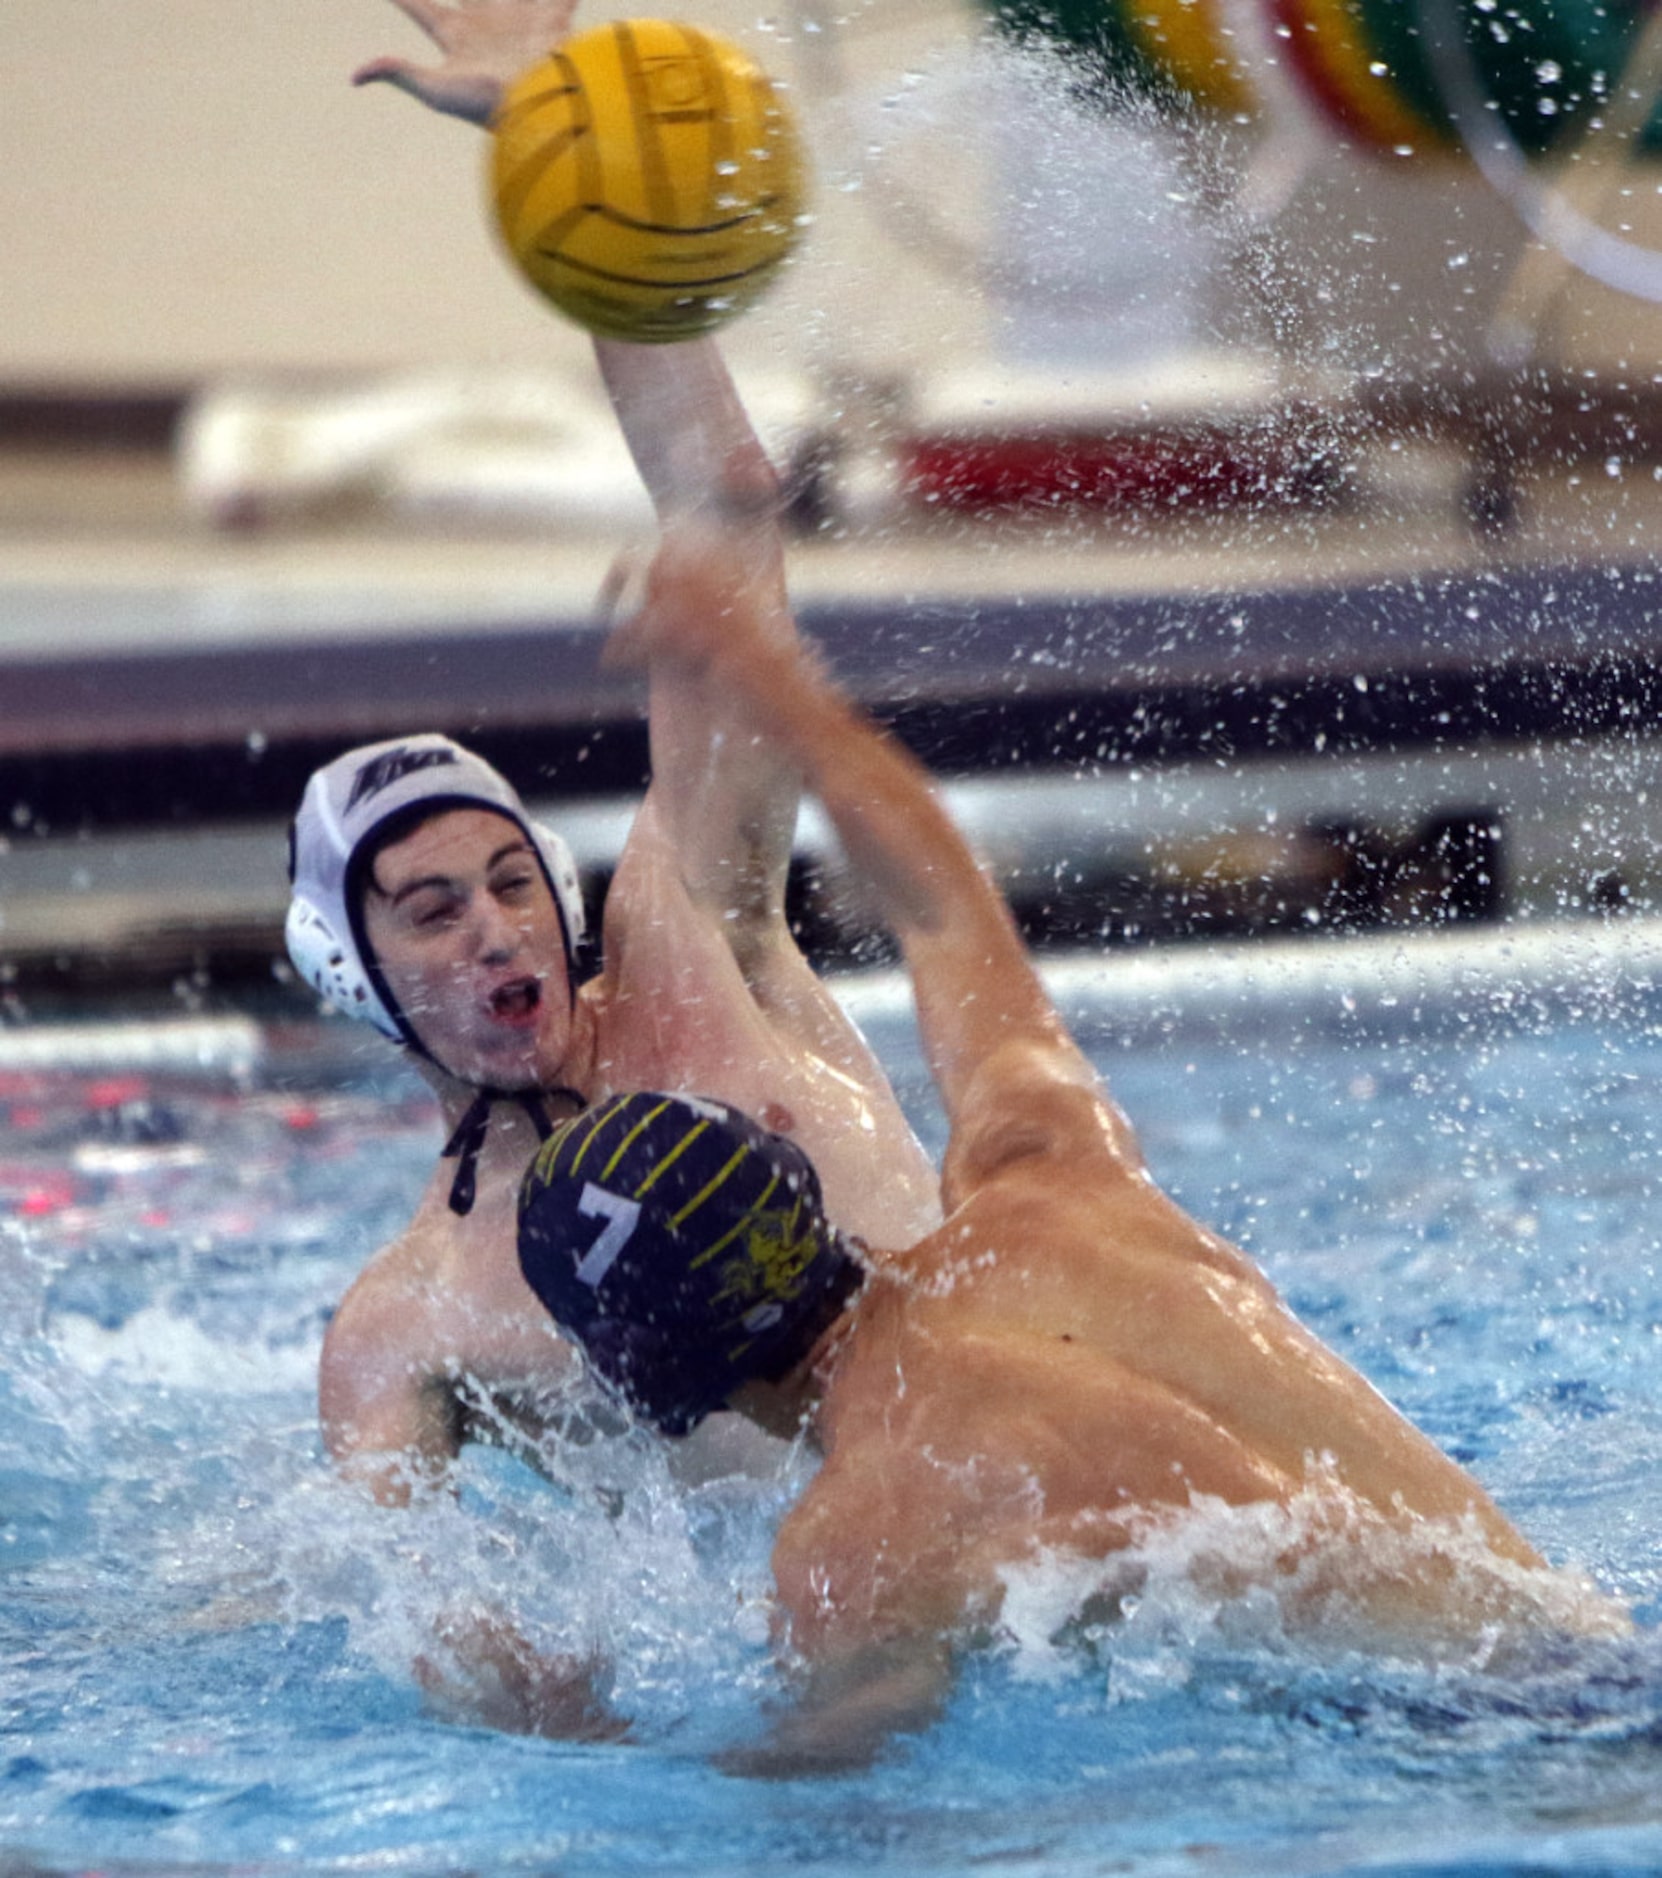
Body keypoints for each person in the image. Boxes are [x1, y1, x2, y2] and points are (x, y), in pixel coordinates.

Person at [517, 534, 1630, 1771]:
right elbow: (941, 909)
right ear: (798, 1188)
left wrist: (573, 1735)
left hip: (1485, 1765)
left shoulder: (858, 1540)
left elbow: (813, 1817)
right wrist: (775, 685)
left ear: (653, 1387)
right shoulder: (1046, 1182)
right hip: (1596, 1656)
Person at [290, 0, 938, 1732]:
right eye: (430, 907)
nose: (499, 921)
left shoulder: (688, 938)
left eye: (508, 875)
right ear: (360, 974)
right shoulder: (408, 1325)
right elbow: (409, 1612)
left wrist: (552, 150)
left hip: (1041, 1460)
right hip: (863, 1646)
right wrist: (527, 1698)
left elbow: (726, 494)